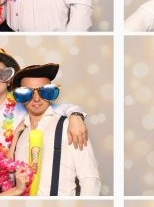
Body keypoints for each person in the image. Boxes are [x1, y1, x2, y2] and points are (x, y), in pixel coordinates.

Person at [0, 47, 88, 148]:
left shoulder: (23, 102)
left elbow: (58, 109)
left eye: (0, 74)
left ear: (10, 80)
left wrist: (76, 116)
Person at [10, 64, 101, 196]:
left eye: (44, 91)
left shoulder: (69, 126)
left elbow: (90, 180)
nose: (36, 98)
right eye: (27, 93)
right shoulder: (20, 134)